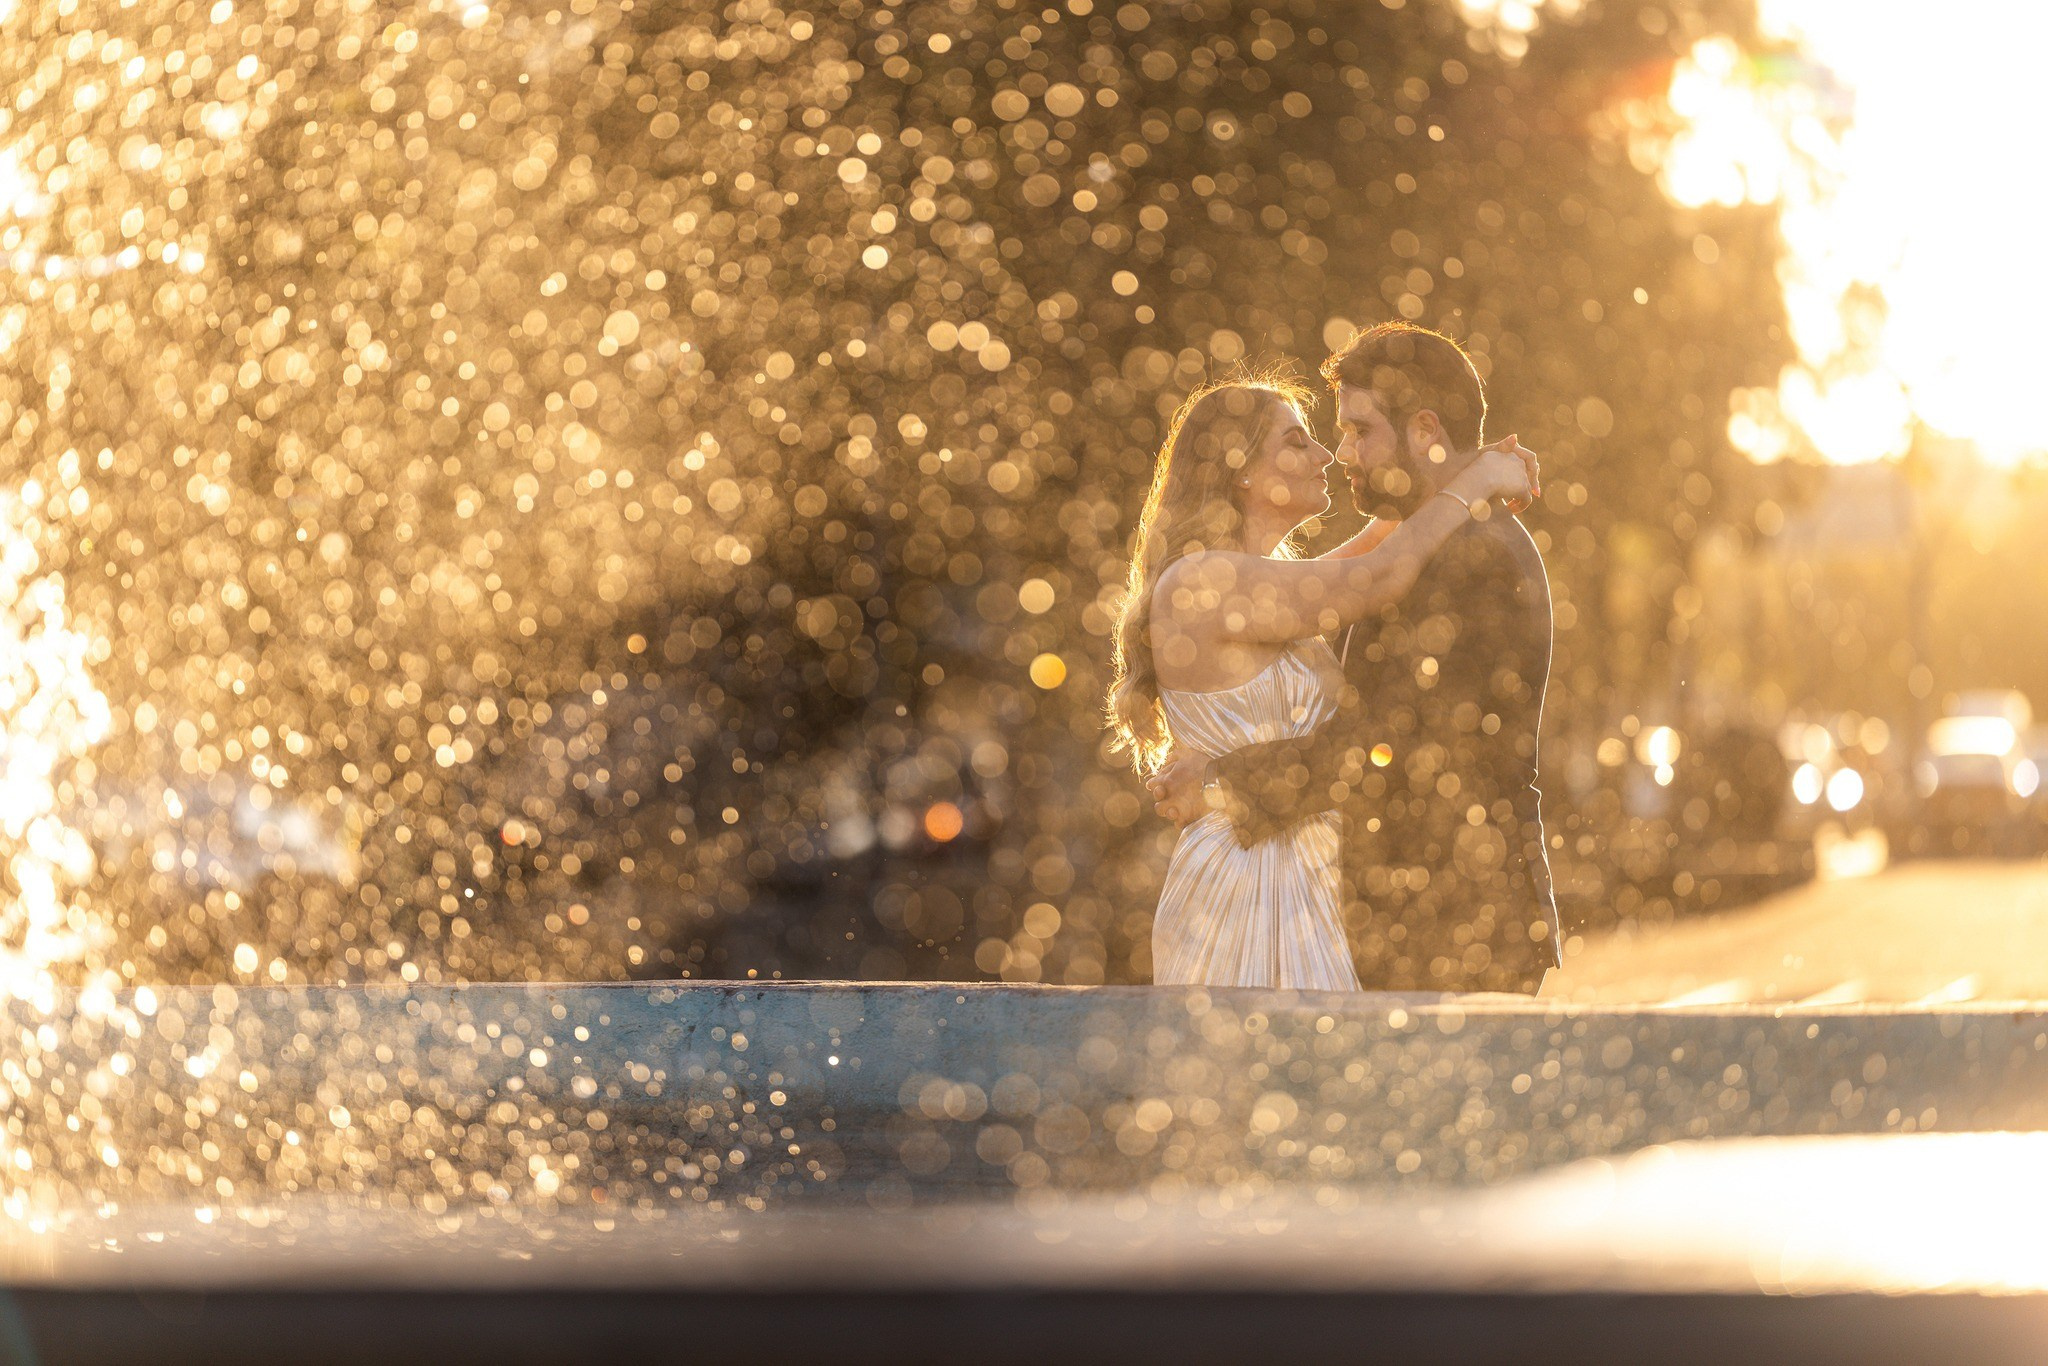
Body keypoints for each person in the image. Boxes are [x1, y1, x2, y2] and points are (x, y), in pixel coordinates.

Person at [1146, 324, 1561, 994]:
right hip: (1340, 901)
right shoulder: (1237, 581)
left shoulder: (1469, 556)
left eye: (1358, 431)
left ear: (1423, 428)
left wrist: (1223, 781)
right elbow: (1373, 573)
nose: (1337, 453)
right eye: (1307, 437)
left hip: (1458, 921)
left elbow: (1389, 743)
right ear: (1240, 469)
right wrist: (1472, 474)